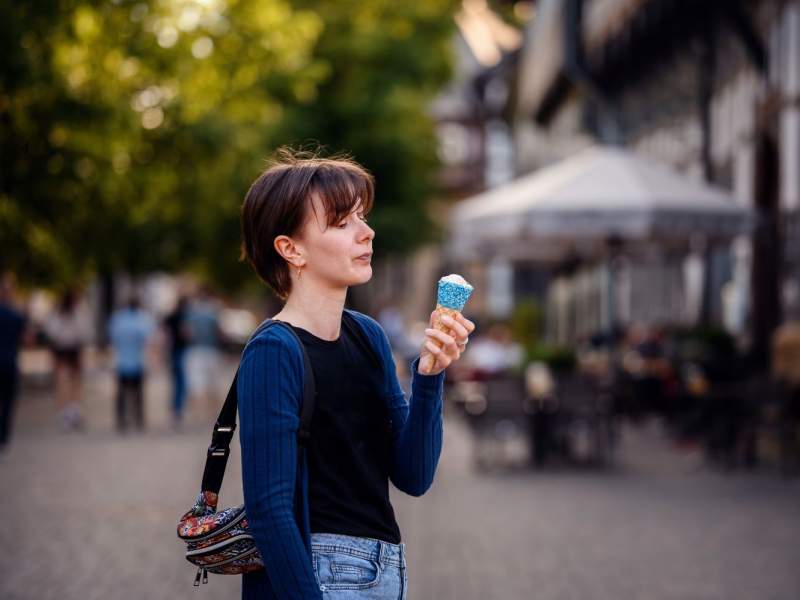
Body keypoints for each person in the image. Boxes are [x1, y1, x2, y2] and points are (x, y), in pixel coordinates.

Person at [237, 149, 474, 599]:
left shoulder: (368, 336)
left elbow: (414, 474)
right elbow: (269, 511)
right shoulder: (274, 351)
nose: (367, 233)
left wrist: (430, 375)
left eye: (363, 217)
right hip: (318, 574)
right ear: (291, 249)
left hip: (385, 570)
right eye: (343, 222)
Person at [44, 290, 90, 431]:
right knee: (72, 382)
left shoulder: (58, 314)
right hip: (69, 349)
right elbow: (84, 332)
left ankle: (69, 412)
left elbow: (51, 332)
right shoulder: (75, 314)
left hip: (64, 349)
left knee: (65, 382)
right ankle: (70, 412)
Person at [108, 296, 155, 432]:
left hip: (121, 362)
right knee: (138, 394)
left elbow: (112, 338)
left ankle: (121, 421)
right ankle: (138, 420)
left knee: (121, 394)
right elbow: (149, 340)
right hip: (138, 362)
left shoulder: (118, 319)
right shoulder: (143, 319)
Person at [185, 286, 223, 415]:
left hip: (196, 350)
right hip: (211, 350)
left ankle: (198, 414)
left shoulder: (192, 312)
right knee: (213, 384)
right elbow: (219, 332)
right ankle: (213, 413)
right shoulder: (214, 311)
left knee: (196, 386)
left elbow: (187, 333)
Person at [0, 274, 27, 452]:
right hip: (9, 362)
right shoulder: (17, 316)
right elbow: (27, 340)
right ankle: (4, 435)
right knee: (8, 401)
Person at [164, 295, 191, 427]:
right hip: (181, 351)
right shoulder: (184, 317)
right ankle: (178, 408)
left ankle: (175, 407)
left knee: (176, 381)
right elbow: (184, 333)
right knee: (181, 382)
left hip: (174, 351)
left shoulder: (172, 316)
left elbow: (165, 332)